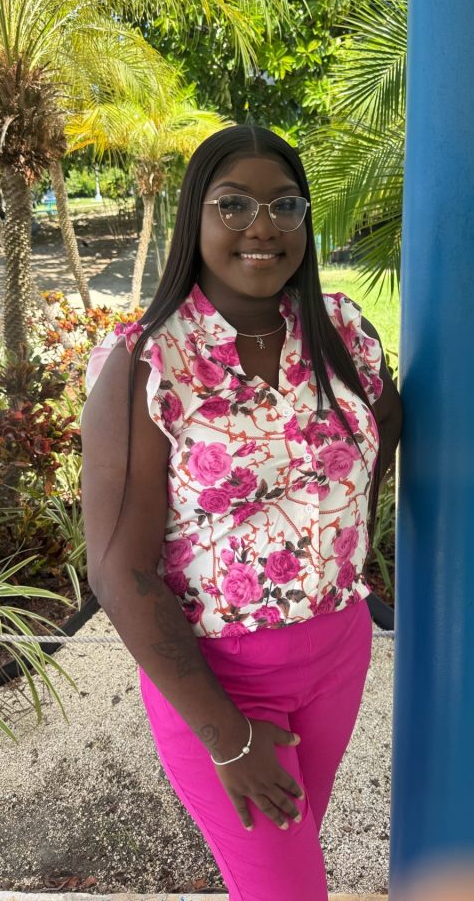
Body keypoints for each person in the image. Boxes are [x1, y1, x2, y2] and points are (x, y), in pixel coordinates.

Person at [81, 125, 402, 901]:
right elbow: (118, 572)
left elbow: (383, 433)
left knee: (282, 872)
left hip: (339, 653)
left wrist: (338, 539)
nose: (263, 226)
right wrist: (227, 740)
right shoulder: (147, 363)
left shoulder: (342, 332)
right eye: (233, 205)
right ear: (194, 215)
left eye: (285, 205)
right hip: (221, 681)